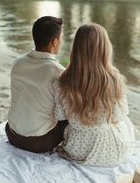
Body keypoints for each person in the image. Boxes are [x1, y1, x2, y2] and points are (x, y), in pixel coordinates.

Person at [53, 23, 135, 167]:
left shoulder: (63, 81)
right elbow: (120, 115)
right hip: (110, 151)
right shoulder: (114, 79)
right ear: (105, 49)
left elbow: (60, 116)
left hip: (77, 149)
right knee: (126, 123)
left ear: (76, 48)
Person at [6, 16, 68, 153]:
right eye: (61, 38)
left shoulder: (17, 63)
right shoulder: (58, 72)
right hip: (39, 142)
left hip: (12, 134)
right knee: (68, 118)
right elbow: (63, 113)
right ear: (54, 42)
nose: (61, 42)